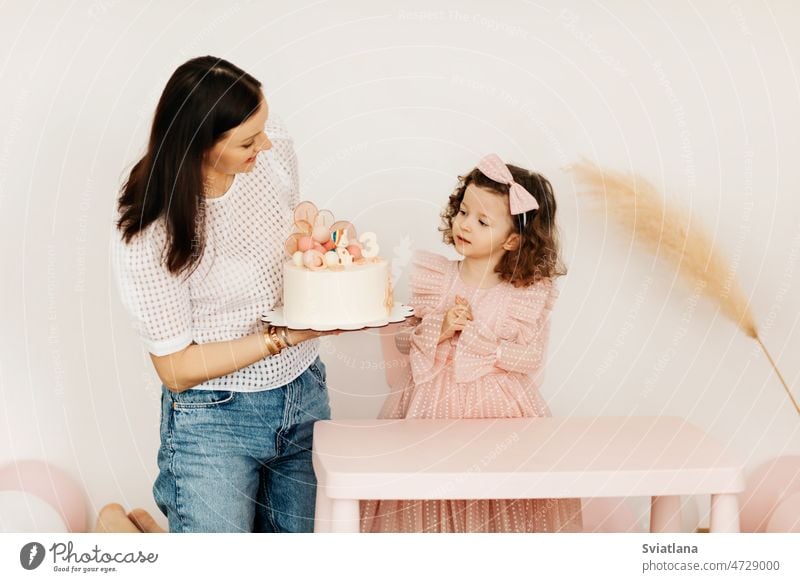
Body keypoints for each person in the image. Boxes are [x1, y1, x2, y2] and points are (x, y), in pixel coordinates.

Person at [112, 56, 338, 532]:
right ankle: (118, 530)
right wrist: (281, 338)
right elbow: (174, 369)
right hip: (215, 417)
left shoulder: (272, 152)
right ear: (199, 145)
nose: (268, 143)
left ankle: (130, 529)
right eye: (248, 141)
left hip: (303, 395)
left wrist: (316, 241)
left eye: (263, 127)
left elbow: (286, 229)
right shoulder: (151, 229)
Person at [360, 154, 583, 532]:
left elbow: (531, 358)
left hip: (497, 412)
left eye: (482, 221)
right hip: (428, 404)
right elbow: (403, 340)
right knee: (427, 483)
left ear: (513, 239)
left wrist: (485, 342)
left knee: (496, 488)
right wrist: (440, 328)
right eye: (463, 212)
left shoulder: (525, 294)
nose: (465, 225)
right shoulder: (437, 277)